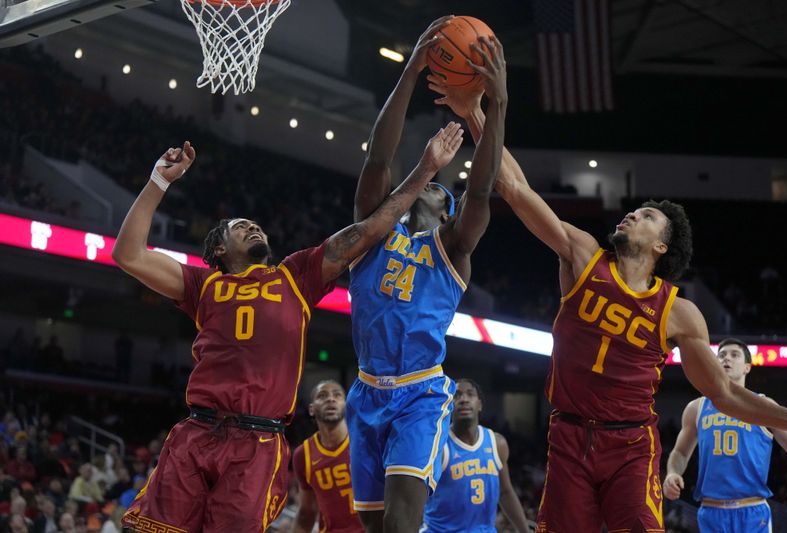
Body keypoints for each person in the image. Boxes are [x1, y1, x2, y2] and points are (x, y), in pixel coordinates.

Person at [426, 76, 787, 533]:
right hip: (567, 437)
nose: (632, 214)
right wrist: (473, 112)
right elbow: (516, 187)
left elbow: (723, 394)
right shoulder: (582, 254)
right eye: (635, 210)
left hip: (631, 446)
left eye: (646, 217)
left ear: (661, 247)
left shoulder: (679, 312)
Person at [112, 122, 463, 531]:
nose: (253, 226)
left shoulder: (295, 276)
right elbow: (129, 254)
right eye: (239, 225)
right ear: (219, 249)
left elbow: (366, 232)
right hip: (197, 429)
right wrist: (158, 180)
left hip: (257, 441)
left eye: (255, 224)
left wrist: (426, 169)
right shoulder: (201, 285)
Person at [346, 16, 507, 533]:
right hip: (366, 392)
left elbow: (480, 193)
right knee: (373, 527)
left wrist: (497, 105)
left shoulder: (452, 250)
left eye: (442, 193)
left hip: (420, 396)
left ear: (447, 213)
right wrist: (412, 70)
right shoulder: (373, 234)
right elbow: (378, 158)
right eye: (428, 186)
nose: (434, 190)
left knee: (400, 523)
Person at [663, 339, 787, 532]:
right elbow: (680, 453)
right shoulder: (696, 407)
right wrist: (672, 473)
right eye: (722, 355)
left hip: (752, 510)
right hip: (712, 510)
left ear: (747, 367)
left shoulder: (764, 405)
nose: (726, 358)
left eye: (734, 355)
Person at [422, 379, 529, 533]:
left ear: (480, 404)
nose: (464, 399)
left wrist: (524, 530)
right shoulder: (438, 446)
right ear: (449, 405)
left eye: (470, 394)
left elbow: (505, 492)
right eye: (457, 395)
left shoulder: (497, 443)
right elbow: (415, 500)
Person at [292, 380, 363, 533]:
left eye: (337, 395)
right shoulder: (302, 454)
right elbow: (306, 513)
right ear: (311, 409)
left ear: (346, 404)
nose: (331, 399)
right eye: (322, 396)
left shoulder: (365, 442)